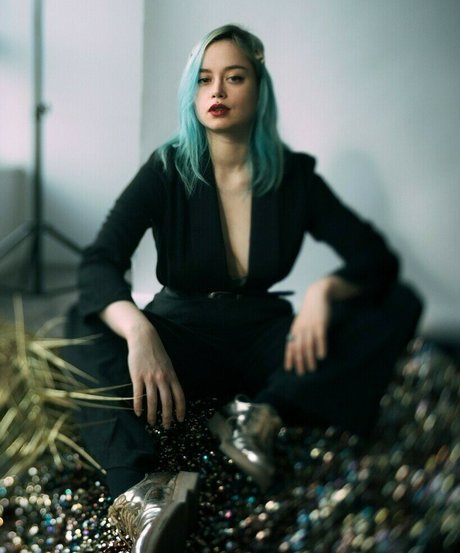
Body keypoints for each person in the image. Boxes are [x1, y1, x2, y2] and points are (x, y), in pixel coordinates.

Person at [65, 24, 423, 552]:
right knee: (81, 322)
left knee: (397, 304)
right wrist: (140, 331)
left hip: (263, 336)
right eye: (204, 79)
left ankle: (260, 417)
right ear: (193, 94)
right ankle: (138, 492)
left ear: (259, 89)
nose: (217, 91)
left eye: (234, 77)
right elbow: (100, 262)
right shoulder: (167, 169)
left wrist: (325, 291)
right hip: (182, 331)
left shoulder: (293, 177)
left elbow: (375, 260)